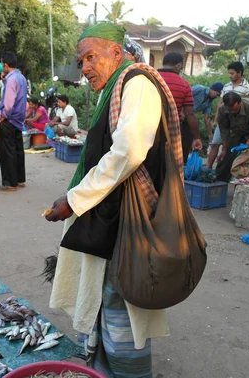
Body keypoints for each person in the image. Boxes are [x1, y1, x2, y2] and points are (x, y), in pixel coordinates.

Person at [45, 23, 179, 377]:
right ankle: (101, 370)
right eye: (81, 60)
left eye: (91, 57)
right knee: (105, 307)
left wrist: (75, 199)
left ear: (116, 54)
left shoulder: (136, 84)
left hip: (128, 222)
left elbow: (129, 150)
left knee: (121, 307)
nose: (85, 67)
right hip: (111, 216)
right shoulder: (116, 87)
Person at [207, 61, 249, 169]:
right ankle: (208, 167)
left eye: (232, 73)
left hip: (237, 123)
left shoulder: (248, 88)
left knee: (231, 147)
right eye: (229, 73)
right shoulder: (227, 86)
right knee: (215, 144)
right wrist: (216, 120)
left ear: (240, 73)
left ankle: (228, 170)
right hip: (223, 121)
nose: (230, 76)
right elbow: (220, 105)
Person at [158, 52, 202, 163]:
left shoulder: (149, 77)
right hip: (171, 132)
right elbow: (190, 114)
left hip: (147, 130)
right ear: (178, 65)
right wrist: (196, 137)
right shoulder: (184, 84)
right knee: (168, 166)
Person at [215, 92, 249, 182]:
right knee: (227, 155)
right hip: (237, 131)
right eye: (230, 110)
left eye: (235, 110)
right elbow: (224, 130)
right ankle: (219, 181)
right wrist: (224, 148)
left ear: (240, 103)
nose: (232, 112)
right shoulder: (222, 109)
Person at [0, 52, 27, 192]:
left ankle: (9, 183)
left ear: (5, 65)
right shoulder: (21, 78)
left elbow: (8, 103)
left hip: (8, 119)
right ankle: (20, 179)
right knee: (18, 150)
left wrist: (2, 116)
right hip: (18, 119)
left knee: (7, 152)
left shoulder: (11, 80)